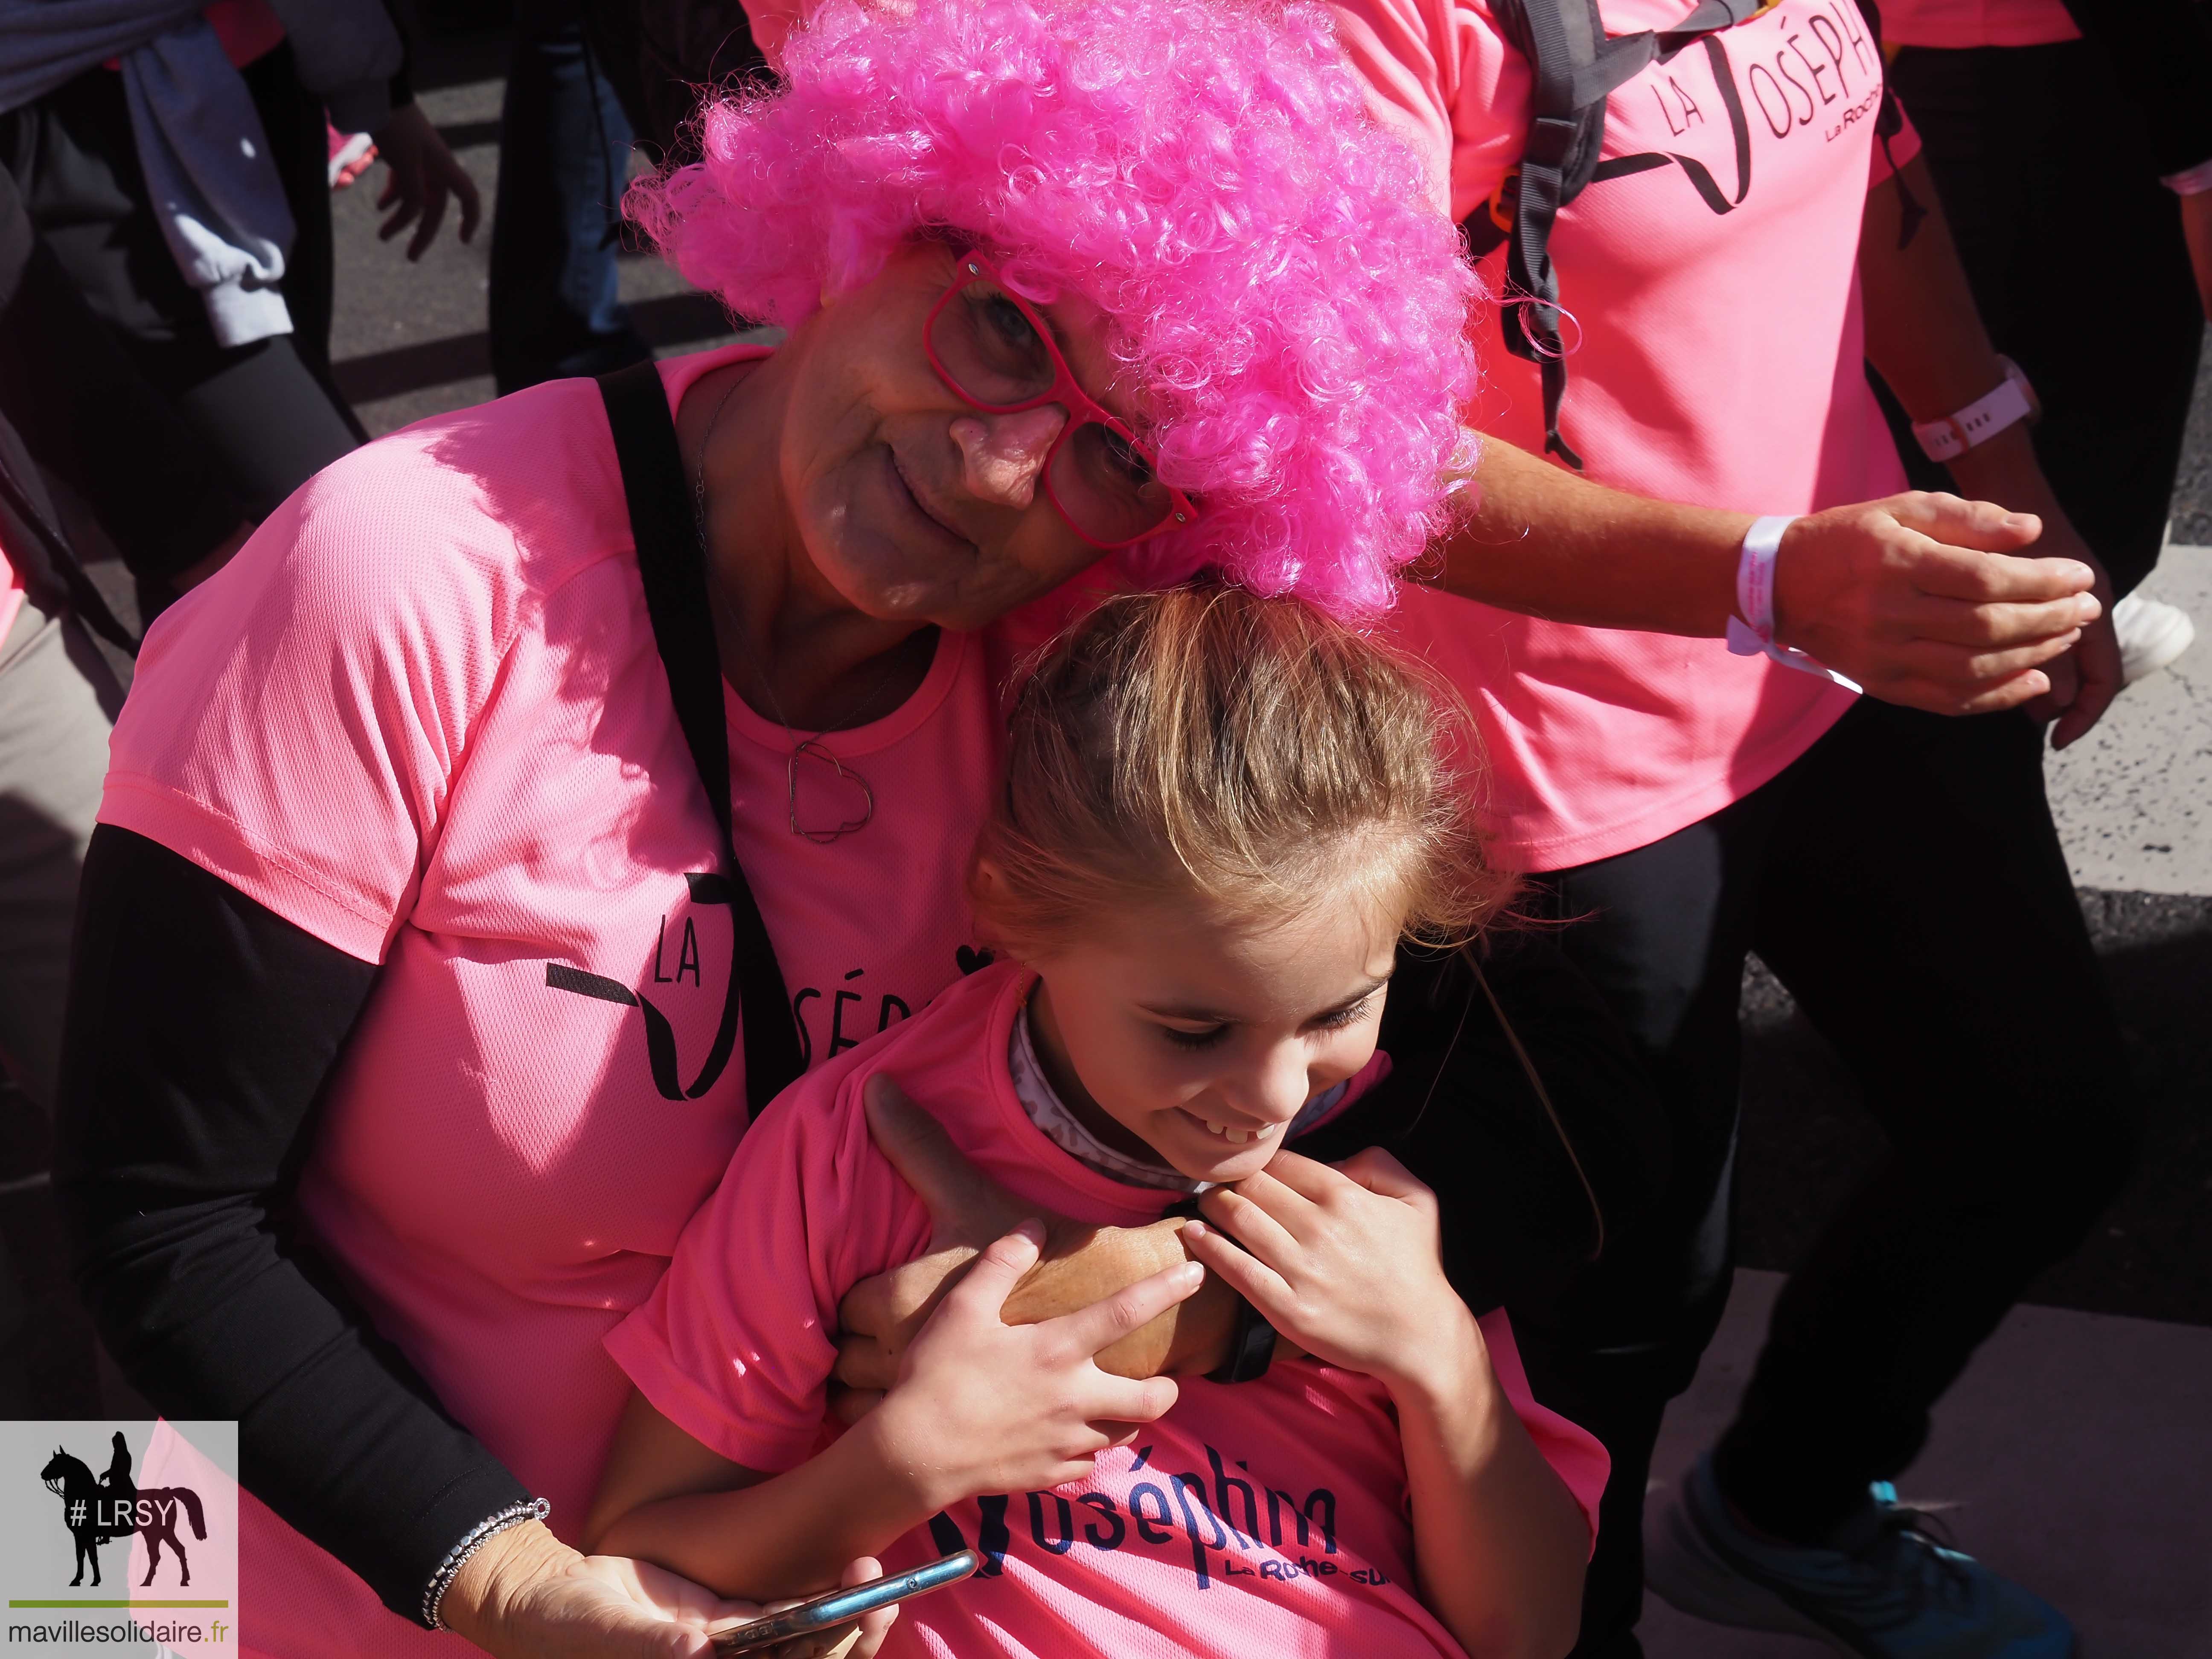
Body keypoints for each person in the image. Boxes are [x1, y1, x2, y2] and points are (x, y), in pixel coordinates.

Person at [52, 0, 1486, 1653]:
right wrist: (503, 1581)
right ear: (862, 212)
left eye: (1116, 452)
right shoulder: (387, 574)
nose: (1002, 470)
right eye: (1003, 330)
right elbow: (143, 1225)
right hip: (284, 1589)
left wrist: (1112, 1312)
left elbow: (1293, 1101)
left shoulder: (1089, 703)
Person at [736, 0, 2140, 1652]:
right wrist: (1768, 574)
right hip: (1558, 774)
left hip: (1838, 659)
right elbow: (1327, 421)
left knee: (2046, 1112)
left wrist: (1999, 451)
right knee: (1605, 1329)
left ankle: (1787, 1504)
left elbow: (1862, 133)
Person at [588, 584, 1608, 1659]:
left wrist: (1436, 1353)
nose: (1272, 1097)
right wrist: (909, 1460)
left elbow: (1529, 1631)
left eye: (1337, 1010)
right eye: (1193, 1027)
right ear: (1012, 908)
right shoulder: (854, 1150)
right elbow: (632, 1560)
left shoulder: (1374, 1198)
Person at [0, 157, 251, 1417]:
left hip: (12, 670)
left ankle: (114, 1613)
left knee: (157, 1173)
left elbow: (27, 303)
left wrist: (222, 558)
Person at [0, 0, 480, 520]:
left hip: (258, 74)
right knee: (352, 524)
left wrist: (379, 89)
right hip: (76, 110)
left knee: (238, 512)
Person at [1879, 0, 2212, 682]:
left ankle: (2080, 601)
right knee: (2042, 457)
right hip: (2045, 78)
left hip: (1898, 60)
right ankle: (2057, 632)